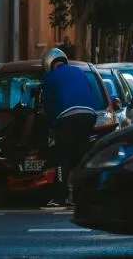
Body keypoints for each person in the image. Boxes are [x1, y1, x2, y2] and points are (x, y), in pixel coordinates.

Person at [39, 47, 98, 210]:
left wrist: (52, 126)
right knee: (80, 157)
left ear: (49, 63)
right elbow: (90, 91)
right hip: (89, 115)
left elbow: (48, 106)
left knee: (61, 156)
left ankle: (59, 198)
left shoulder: (49, 78)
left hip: (67, 116)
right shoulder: (80, 72)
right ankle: (82, 196)